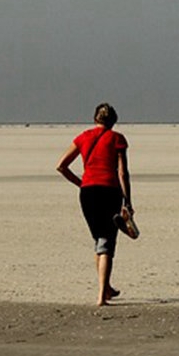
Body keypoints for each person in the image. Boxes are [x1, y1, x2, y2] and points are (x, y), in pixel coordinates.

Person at [56, 102, 134, 307]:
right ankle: (101, 295)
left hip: (88, 193)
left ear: (95, 119)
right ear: (114, 120)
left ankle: (106, 288)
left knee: (99, 240)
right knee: (107, 241)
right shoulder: (117, 139)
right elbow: (122, 172)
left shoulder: (83, 137)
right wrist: (128, 200)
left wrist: (81, 183)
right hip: (110, 191)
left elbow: (61, 166)